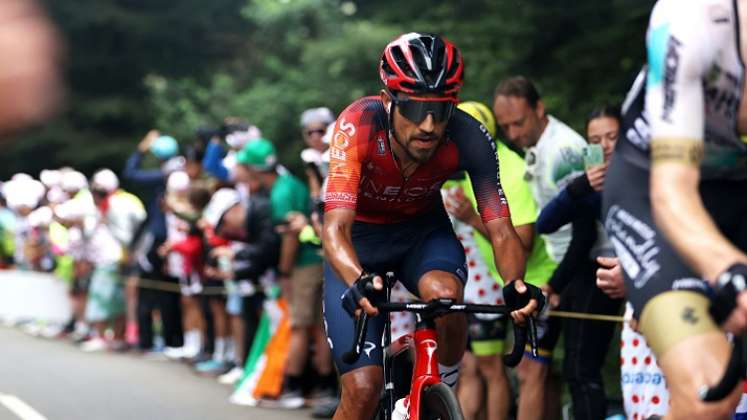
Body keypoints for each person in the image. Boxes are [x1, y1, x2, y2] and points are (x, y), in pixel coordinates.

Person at [322, 33, 540, 420]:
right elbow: (335, 229)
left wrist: (515, 285)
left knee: (446, 297)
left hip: (422, 234)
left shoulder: (469, 135)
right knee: (362, 390)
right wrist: (356, 279)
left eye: (440, 110)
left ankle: (441, 389)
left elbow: (502, 229)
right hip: (359, 243)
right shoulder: (357, 125)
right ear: (388, 100)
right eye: (415, 107)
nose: (428, 125)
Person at [602, 1, 747, 417]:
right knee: (709, 394)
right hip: (654, 189)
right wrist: (730, 272)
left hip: (737, 191)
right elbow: (673, 194)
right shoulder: (689, 17)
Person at [448, 101, 556, 420]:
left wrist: (470, 216)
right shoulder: (466, 169)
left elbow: (521, 244)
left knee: (522, 372)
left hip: (535, 278)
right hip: (494, 281)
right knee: (480, 368)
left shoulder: (510, 170)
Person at [493, 76, 586, 420]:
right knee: (545, 370)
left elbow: (588, 229)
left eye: (519, 122)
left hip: (580, 269)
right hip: (563, 270)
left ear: (539, 108)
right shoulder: (536, 147)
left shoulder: (565, 151)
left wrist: (557, 283)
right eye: (506, 127)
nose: (513, 134)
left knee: (539, 370)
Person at [535, 106, 623, 419]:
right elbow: (547, 224)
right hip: (598, 268)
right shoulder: (590, 178)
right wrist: (579, 187)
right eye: (596, 140)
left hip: (644, 272)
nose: (605, 146)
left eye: (613, 136)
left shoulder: (643, 171)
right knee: (578, 366)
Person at [234, 138, 335, 409]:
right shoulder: (292, 183)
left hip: (303, 265)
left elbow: (290, 238)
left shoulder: (280, 192)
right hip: (322, 260)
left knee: (299, 327)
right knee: (319, 328)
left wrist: (285, 272)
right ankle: (325, 388)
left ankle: (293, 389)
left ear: (253, 169)